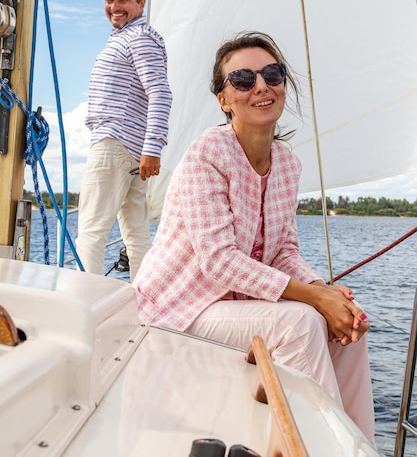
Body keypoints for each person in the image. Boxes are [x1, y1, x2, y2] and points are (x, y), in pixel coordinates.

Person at [133, 31, 376, 445]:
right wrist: (313, 299)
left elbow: (282, 249)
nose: (260, 85)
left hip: (237, 308)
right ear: (224, 100)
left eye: (272, 74)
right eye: (243, 79)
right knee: (300, 323)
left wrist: (325, 292)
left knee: (348, 327)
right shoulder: (207, 153)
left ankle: (358, 447)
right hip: (179, 308)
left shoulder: (287, 163)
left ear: (283, 84)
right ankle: (316, 449)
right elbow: (219, 261)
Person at [76, 0, 172, 281]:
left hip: (115, 145)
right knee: (136, 233)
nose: (115, 7)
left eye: (124, 0)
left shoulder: (138, 38)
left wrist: (153, 149)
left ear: (141, 3)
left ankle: (84, 305)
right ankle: (143, 302)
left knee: (90, 231)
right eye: (110, 0)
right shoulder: (128, 37)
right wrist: (147, 150)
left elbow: (160, 92)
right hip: (130, 151)